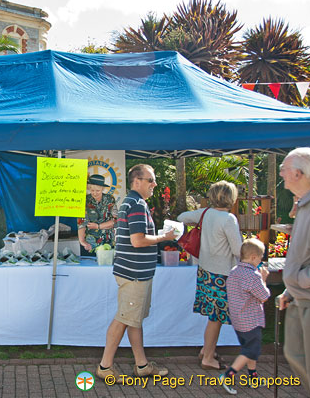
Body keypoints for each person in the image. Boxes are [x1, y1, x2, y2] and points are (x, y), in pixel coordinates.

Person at [96, 164, 175, 382]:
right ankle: (105, 367)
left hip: (134, 272)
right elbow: (138, 240)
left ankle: (142, 365)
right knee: (123, 319)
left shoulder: (131, 202)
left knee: (133, 320)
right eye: (150, 180)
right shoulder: (137, 204)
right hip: (135, 274)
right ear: (136, 181)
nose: (154, 184)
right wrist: (164, 237)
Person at [277, 147, 310, 397]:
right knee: (296, 355)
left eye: (284, 168)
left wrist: (299, 280)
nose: (281, 173)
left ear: (299, 173)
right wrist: (291, 288)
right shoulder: (309, 203)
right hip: (303, 298)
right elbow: (309, 255)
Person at [177, 180, 242, 370]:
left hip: (205, 271)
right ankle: (207, 357)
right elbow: (238, 249)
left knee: (213, 317)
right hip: (222, 274)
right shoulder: (229, 219)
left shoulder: (204, 214)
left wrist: (195, 221)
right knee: (216, 318)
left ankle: (207, 350)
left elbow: (181, 217)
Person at [220, 238, 270, 395]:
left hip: (238, 319)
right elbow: (264, 296)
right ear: (254, 257)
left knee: (248, 348)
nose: (261, 261)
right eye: (261, 257)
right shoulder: (253, 276)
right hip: (251, 320)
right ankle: (228, 375)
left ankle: (253, 378)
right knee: (251, 350)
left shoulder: (234, 271)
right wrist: (264, 280)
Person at [78, 174, 118, 255]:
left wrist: (98, 226)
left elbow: (115, 220)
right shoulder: (85, 200)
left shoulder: (110, 199)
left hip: (108, 241)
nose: (95, 193)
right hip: (90, 242)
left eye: (98, 191)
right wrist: (82, 241)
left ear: (102, 189)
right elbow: (81, 223)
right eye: (92, 190)